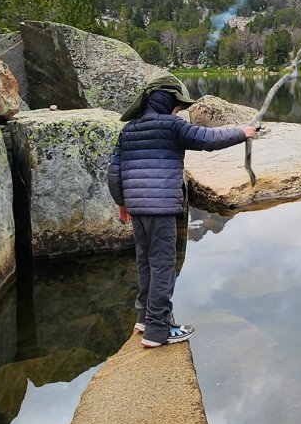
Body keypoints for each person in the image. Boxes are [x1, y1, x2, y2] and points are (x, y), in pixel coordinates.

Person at [108, 74, 257, 348]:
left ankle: (144, 317)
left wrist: (122, 203)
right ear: (168, 103)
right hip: (162, 208)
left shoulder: (128, 130)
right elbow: (207, 138)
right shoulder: (171, 126)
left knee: (145, 262)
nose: (179, 111)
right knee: (164, 266)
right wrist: (242, 132)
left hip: (138, 209)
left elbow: (114, 171)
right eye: (178, 106)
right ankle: (158, 331)